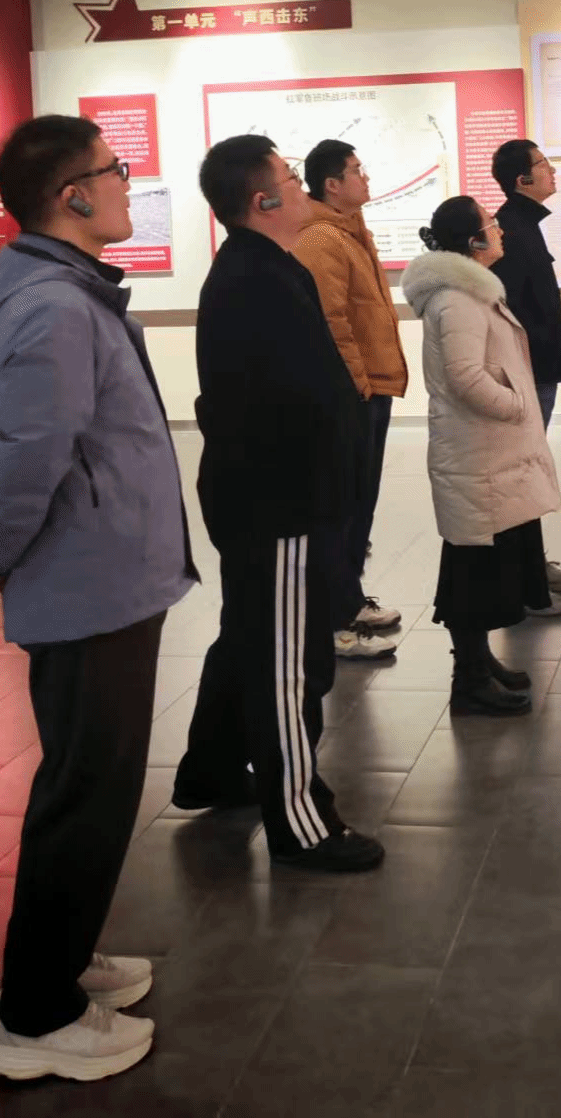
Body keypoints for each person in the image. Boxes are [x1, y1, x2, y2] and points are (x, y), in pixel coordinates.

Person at [0, 115, 198, 1084]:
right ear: (73, 196)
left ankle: (58, 960)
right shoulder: (53, 307)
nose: (128, 182)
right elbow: (31, 454)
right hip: (88, 585)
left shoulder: (66, 291)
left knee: (93, 785)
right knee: (84, 795)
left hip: (108, 577)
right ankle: (35, 1014)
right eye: (116, 170)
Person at [172, 134, 385, 871]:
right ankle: (301, 821)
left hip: (275, 500)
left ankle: (210, 770)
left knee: (249, 638)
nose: (302, 187)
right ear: (262, 200)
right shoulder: (254, 279)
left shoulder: (266, 268)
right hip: (283, 507)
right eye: (291, 178)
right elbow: (287, 406)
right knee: (290, 665)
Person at [401, 196, 561, 716]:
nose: (500, 231)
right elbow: (466, 376)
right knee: (471, 571)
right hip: (477, 455)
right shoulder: (459, 300)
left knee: (482, 566)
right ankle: (468, 679)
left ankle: (479, 663)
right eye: (491, 225)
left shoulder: (471, 292)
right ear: (472, 241)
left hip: (487, 453)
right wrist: (517, 405)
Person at [294, 139, 408, 654]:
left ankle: (350, 597)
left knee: (361, 502)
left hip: (373, 388)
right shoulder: (322, 237)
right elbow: (332, 320)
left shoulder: (350, 230)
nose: (366, 178)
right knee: (345, 506)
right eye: (358, 171)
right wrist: (359, 383)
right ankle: (336, 615)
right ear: (332, 185)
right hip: (358, 392)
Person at [490, 138, 561, 608]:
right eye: (544, 165)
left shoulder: (525, 226)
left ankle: (531, 564)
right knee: (522, 471)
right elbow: (515, 312)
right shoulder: (513, 229)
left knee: (531, 468)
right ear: (522, 179)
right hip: (528, 371)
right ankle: (521, 575)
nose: (553, 171)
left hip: (538, 367)